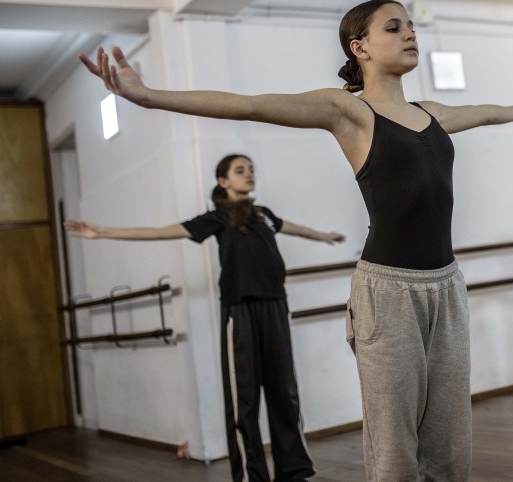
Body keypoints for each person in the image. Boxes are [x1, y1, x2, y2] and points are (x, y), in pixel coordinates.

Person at [77, 0, 513, 481]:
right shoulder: (348, 111)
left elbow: (479, 113)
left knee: (450, 438)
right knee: (394, 441)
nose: (410, 33)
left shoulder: (429, 113)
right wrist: (150, 96)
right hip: (388, 291)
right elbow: (249, 105)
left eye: (411, 26)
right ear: (359, 46)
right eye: (394, 27)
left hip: (447, 285)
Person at [66, 153, 343, 482]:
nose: (249, 174)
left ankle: (294, 471)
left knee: (285, 392)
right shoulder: (216, 219)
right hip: (239, 311)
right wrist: (104, 231)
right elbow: (159, 232)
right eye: (240, 171)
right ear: (223, 181)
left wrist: (323, 236)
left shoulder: (264, 215)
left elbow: (291, 227)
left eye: (251, 169)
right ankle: (252, 476)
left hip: (275, 307)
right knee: (245, 399)